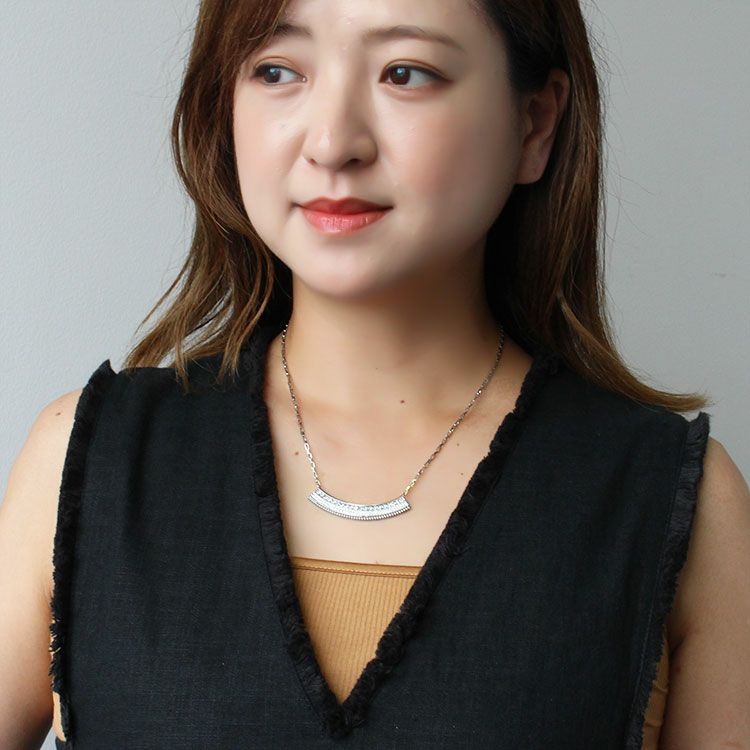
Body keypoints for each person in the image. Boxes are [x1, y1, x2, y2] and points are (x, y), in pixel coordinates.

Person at [1, 0, 748, 747]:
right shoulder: (86, 462)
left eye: (405, 73)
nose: (332, 143)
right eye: (277, 71)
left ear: (535, 124)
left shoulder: (677, 503)